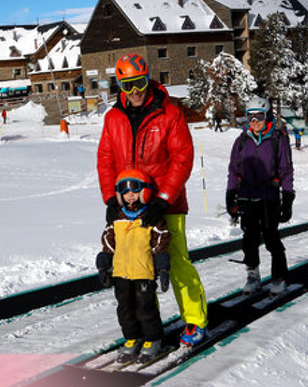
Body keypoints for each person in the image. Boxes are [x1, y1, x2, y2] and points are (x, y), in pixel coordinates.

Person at [97, 53, 208, 347]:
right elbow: (106, 160)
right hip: (130, 207)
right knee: (139, 270)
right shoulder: (113, 118)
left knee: (176, 262)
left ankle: (195, 321)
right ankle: (151, 329)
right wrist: (111, 199)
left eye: (140, 82)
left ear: (149, 79)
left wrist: (163, 199)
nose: (135, 91)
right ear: (120, 85)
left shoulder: (169, 113)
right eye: (128, 84)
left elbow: (182, 158)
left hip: (166, 204)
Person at [96, 169, 171, 363]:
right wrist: (104, 264)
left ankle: (152, 339)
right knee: (125, 308)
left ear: (144, 192)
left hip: (143, 272)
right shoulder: (116, 217)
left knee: (145, 308)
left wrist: (162, 269)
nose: (130, 195)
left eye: (134, 190)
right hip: (121, 273)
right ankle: (131, 338)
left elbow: (160, 244)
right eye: (125, 191)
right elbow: (108, 242)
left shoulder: (151, 218)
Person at [226, 97, 295, 297]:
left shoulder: (277, 140)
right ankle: (253, 275)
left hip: (269, 197)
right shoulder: (241, 142)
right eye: (251, 117)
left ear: (267, 116)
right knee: (249, 240)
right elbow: (233, 170)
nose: (255, 121)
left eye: (259, 116)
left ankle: (279, 277)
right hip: (247, 197)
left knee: (272, 238)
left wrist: (288, 197)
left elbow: (286, 171)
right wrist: (231, 194)